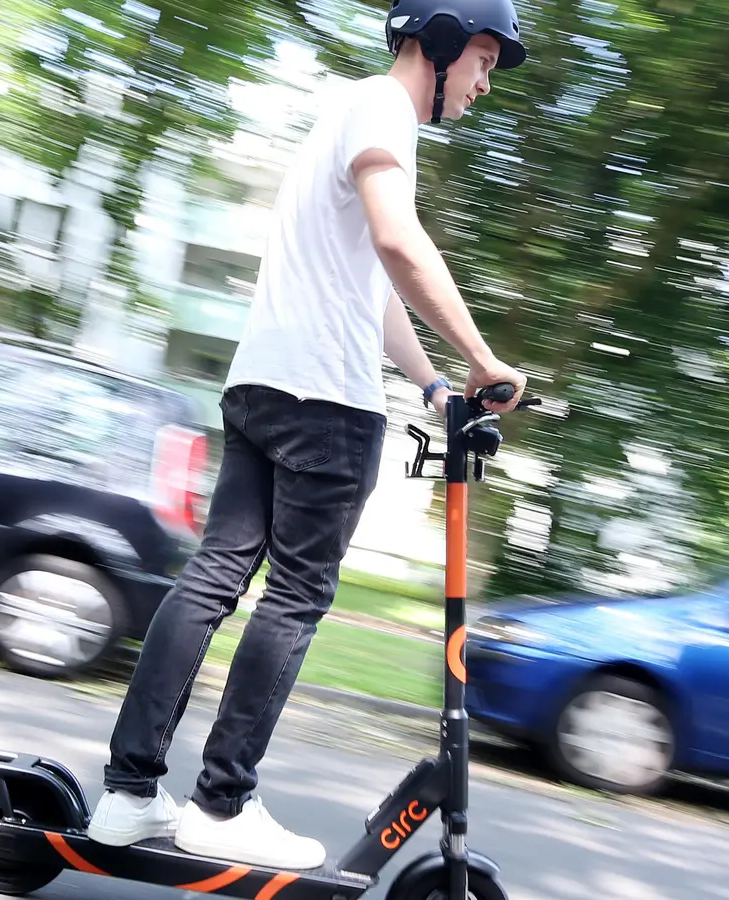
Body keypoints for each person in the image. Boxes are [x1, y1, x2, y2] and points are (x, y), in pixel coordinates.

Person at [84, 0, 532, 871]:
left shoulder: (346, 111)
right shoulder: (385, 113)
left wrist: (439, 386)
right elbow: (401, 245)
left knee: (212, 578)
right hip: (326, 406)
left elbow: (373, 288)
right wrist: (481, 357)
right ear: (435, 45)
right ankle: (222, 802)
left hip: (259, 385)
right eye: (483, 62)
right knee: (293, 597)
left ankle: (129, 794)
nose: (483, 86)